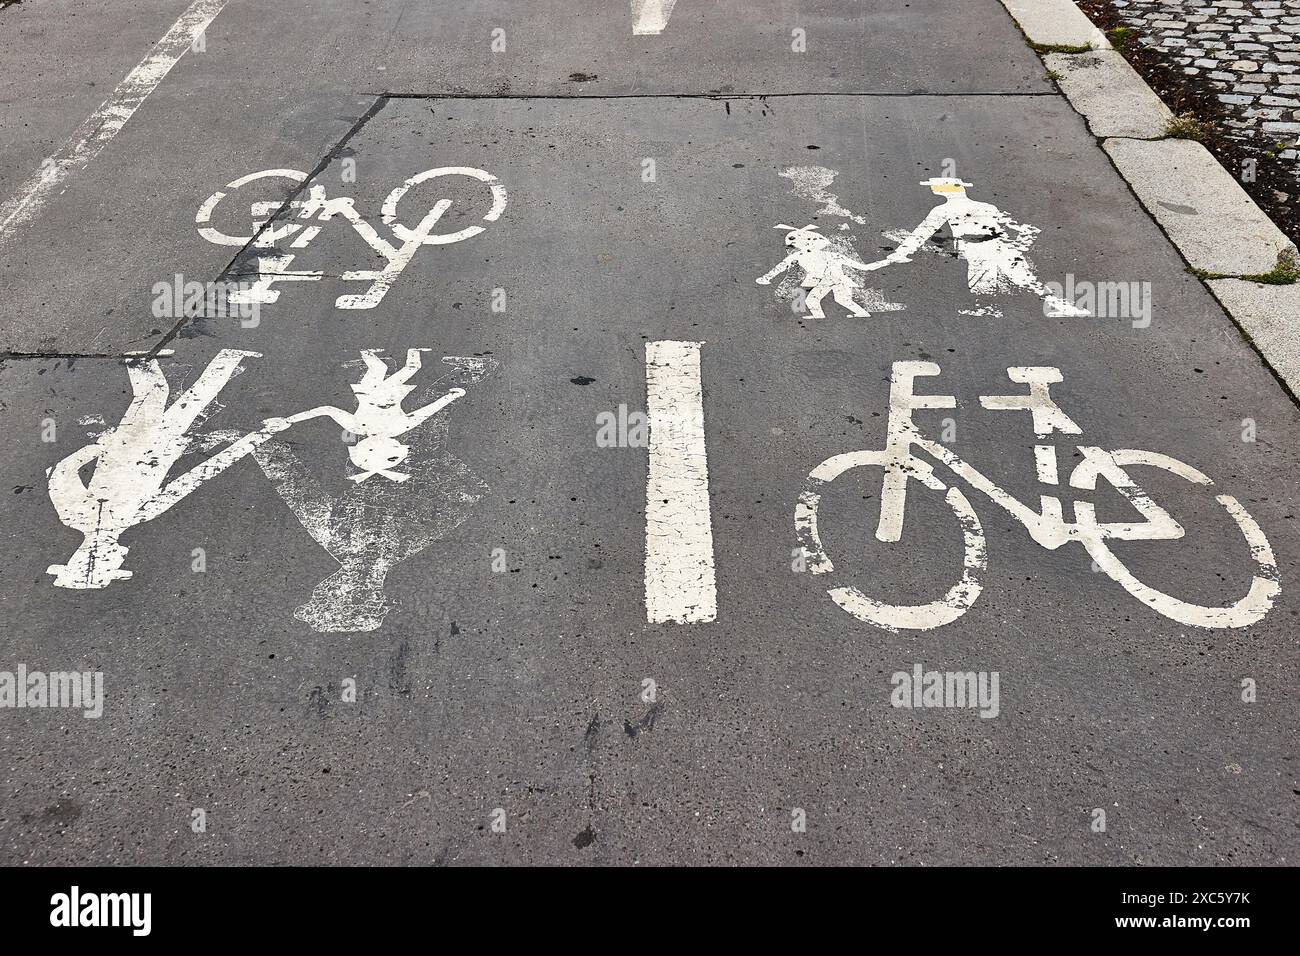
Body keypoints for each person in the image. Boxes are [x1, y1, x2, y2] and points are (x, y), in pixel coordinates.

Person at [877, 178, 1089, 317]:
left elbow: (922, 233)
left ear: (944, 190)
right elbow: (1011, 225)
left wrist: (901, 252)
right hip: (999, 245)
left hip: (977, 246)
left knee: (988, 277)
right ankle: (992, 307)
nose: (934, 188)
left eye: (936, 186)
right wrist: (1019, 242)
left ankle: (989, 307)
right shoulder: (986, 206)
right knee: (1020, 277)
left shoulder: (943, 209)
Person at [756, 223, 880, 318]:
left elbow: (780, 267)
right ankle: (823, 316)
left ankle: (858, 314)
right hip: (830, 280)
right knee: (826, 300)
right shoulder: (829, 254)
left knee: (824, 300)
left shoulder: (805, 255)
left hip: (831, 280)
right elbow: (865, 267)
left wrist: (767, 277)